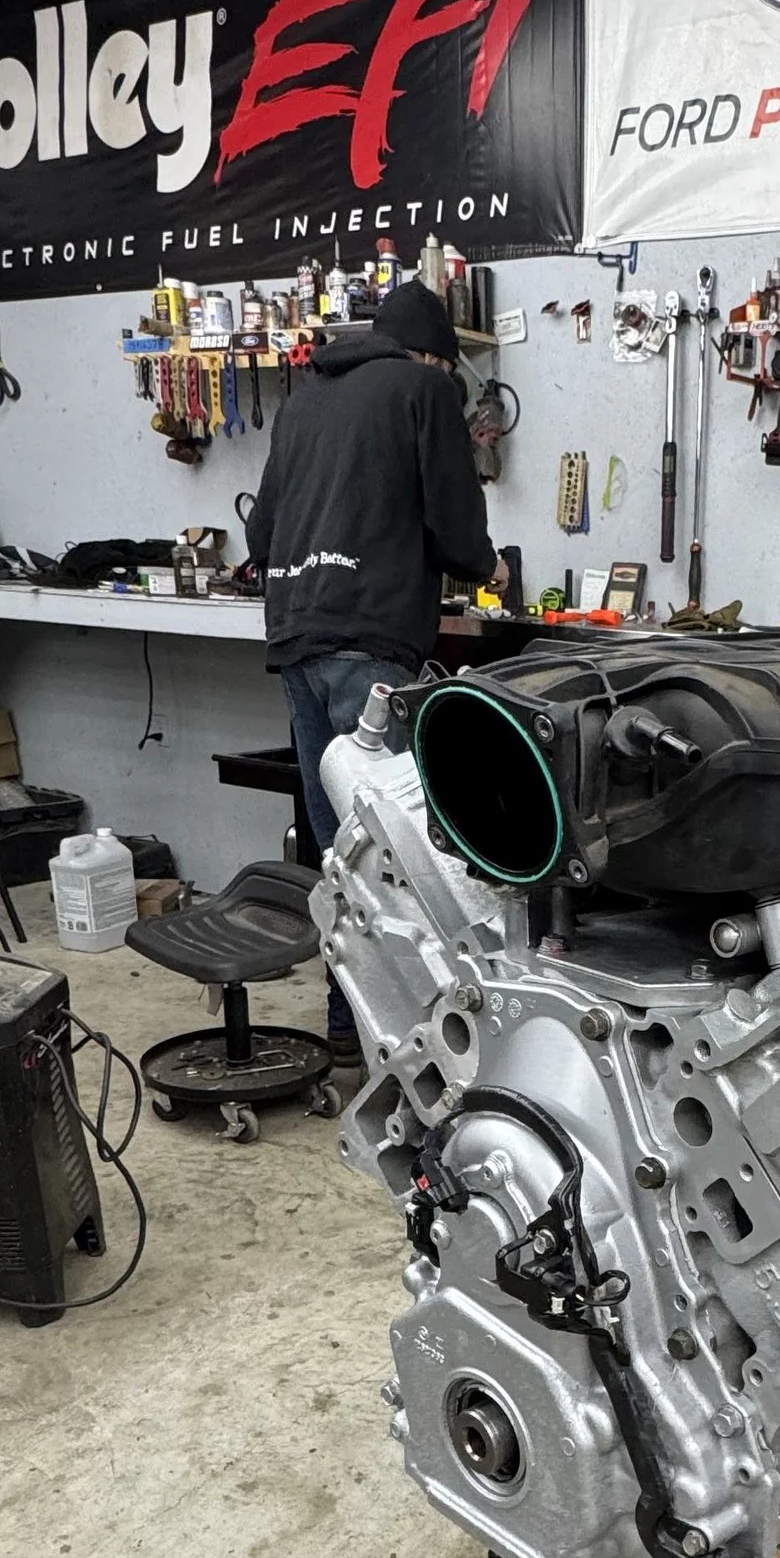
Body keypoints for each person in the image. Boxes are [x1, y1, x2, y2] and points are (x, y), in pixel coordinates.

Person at [245, 276, 497, 1065]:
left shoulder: (302, 400)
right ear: (433, 354)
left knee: (341, 852)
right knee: (401, 852)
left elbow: (261, 537)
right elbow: (459, 534)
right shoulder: (425, 390)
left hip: (295, 639)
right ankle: (429, 1038)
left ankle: (350, 1026)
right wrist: (479, 565)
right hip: (370, 640)